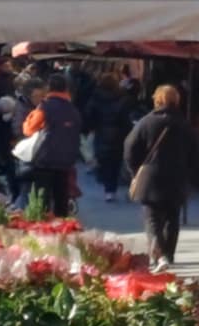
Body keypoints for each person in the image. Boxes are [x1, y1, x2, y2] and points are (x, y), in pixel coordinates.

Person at [125, 83, 198, 270]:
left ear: (157, 100)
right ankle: (167, 255)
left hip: (151, 177)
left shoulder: (145, 122)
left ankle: (157, 255)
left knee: (152, 218)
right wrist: (192, 176)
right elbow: (195, 153)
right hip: (177, 177)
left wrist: (135, 171)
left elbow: (130, 148)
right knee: (172, 217)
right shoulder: (184, 124)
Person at [21, 72, 83, 216]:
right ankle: (61, 229)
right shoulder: (73, 110)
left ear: (48, 88)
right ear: (66, 89)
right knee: (61, 198)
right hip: (66, 161)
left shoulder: (45, 107)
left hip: (45, 160)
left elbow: (28, 130)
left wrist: (32, 114)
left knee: (42, 200)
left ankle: (43, 230)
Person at [89, 70, 132, 204]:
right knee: (115, 162)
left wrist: (90, 127)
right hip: (118, 135)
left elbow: (89, 115)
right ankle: (111, 190)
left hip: (101, 133)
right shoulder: (122, 98)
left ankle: (107, 187)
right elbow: (126, 119)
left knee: (104, 161)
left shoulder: (95, 98)